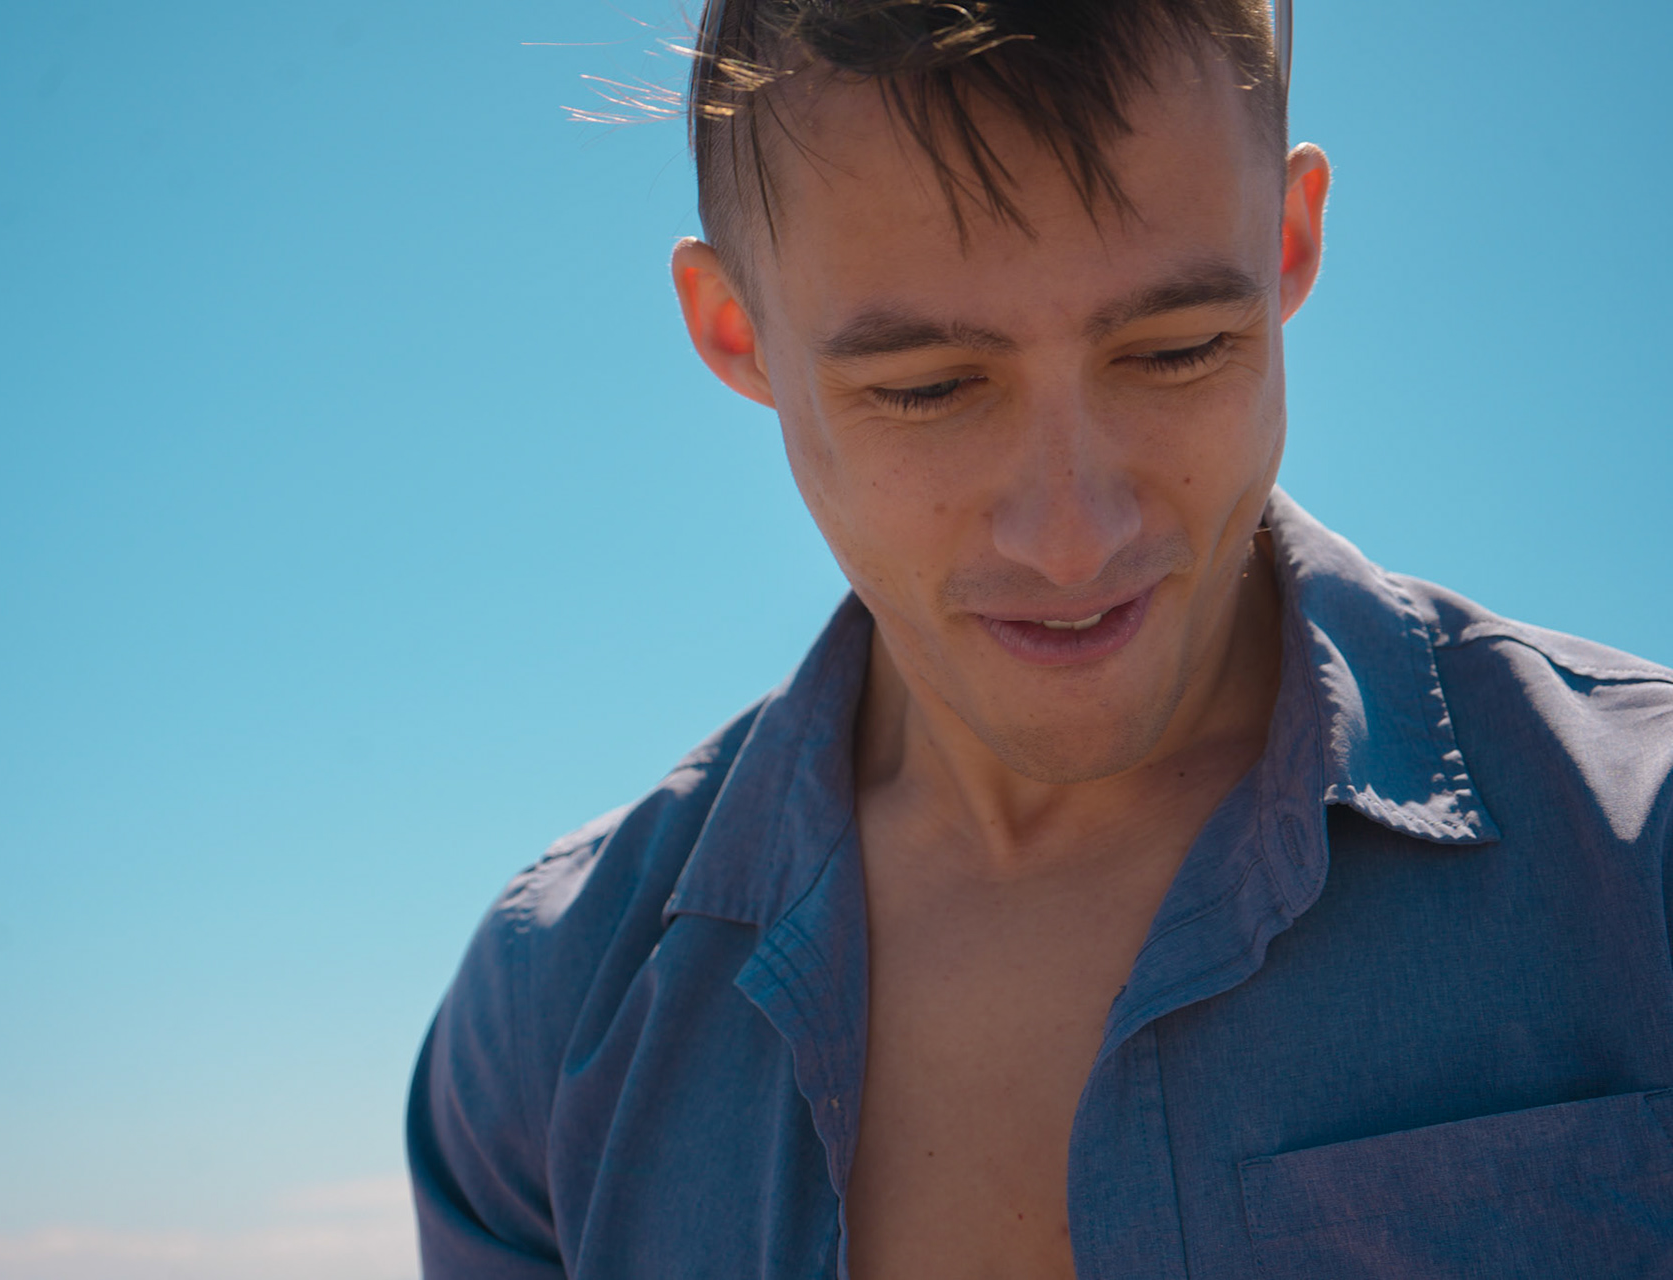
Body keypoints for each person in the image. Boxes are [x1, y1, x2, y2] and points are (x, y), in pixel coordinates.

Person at [407, 1, 1673, 1275]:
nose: (1071, 539)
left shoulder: (1644, 851)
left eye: (1178, 351)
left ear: (1289, 242)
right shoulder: (548, 1009)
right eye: (927, 388)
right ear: (738, 329)